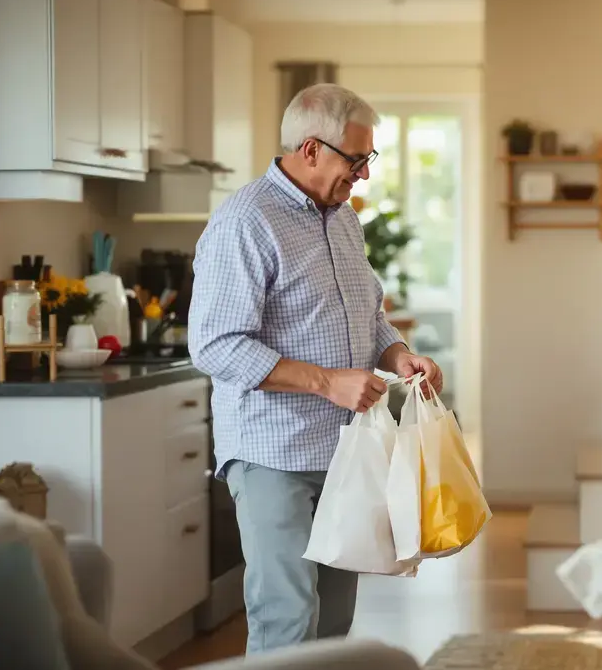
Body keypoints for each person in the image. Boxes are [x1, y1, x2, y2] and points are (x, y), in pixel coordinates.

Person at [189, 83, 443, 654]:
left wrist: (398, 355)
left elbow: (368, 315)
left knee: (333, 624)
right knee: (287, 618)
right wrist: (328, 381)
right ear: (310, 149)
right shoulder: (246, 222)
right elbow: (214, 345)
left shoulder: (343, 219)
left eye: (367, 160)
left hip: (344, 452)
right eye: (357, 161)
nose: (364, 176)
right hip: (272, 453)